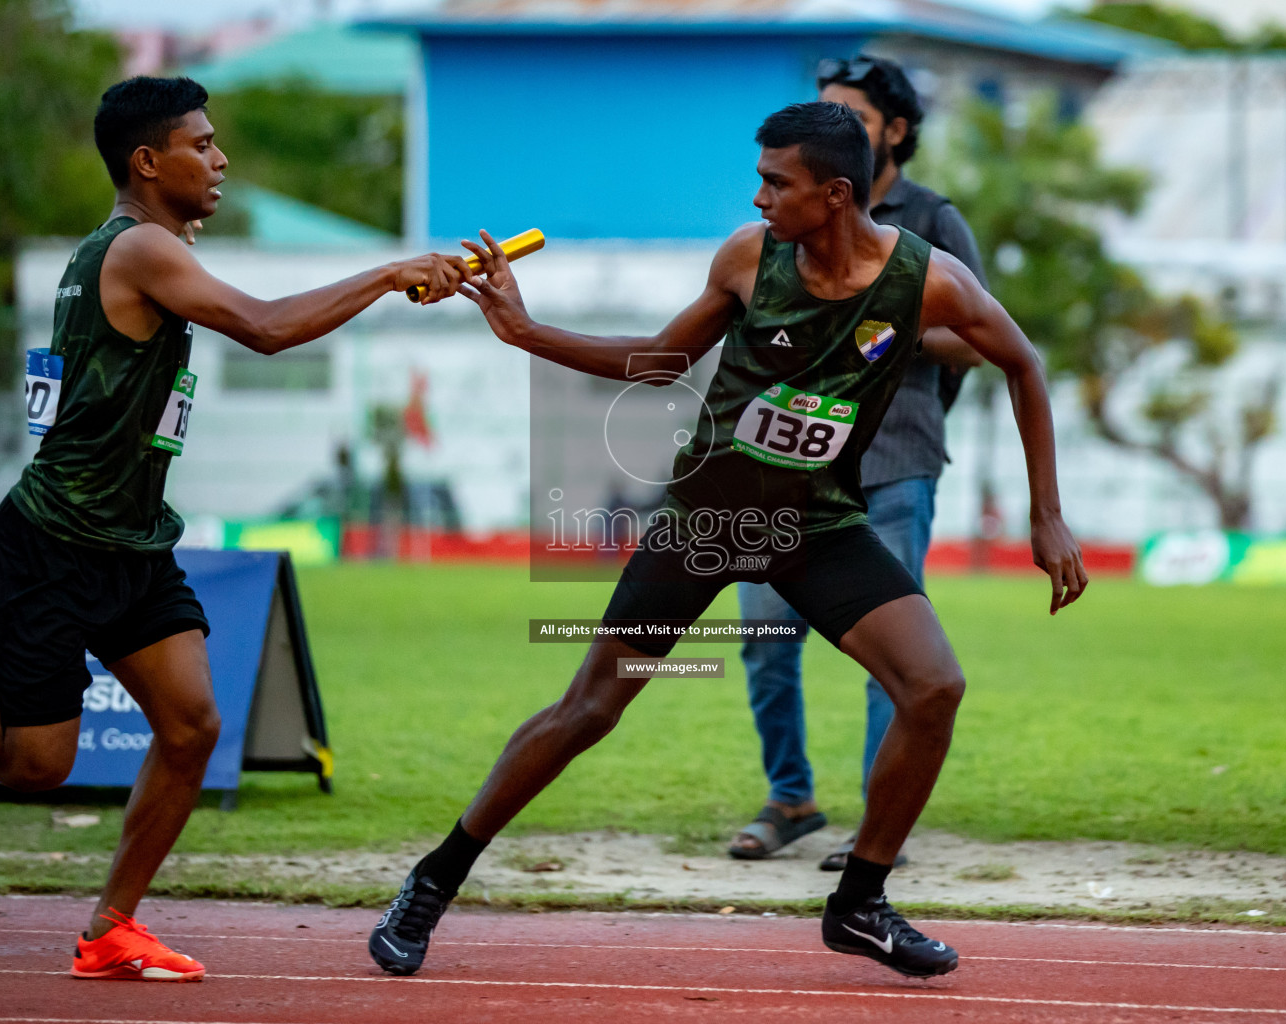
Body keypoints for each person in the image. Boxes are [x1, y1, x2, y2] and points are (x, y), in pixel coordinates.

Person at [368, 101, 1086, 980]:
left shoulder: (929, 280)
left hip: (817, 525)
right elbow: (662, 358)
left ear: (833, 193)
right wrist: (526, 333)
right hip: (707, 520)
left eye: (774, 183)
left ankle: (859, 903)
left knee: (933, 686)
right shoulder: (750, 258)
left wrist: (1045, 513)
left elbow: (1024, 363)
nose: (757, 198)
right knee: (588, 709)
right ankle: (433, 882)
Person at [0, 75, 468, 982]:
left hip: (132, 539)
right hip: (55, 539)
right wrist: (391, 270)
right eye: (201, 144)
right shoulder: (139, 253)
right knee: (35, 767)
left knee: (194, 724)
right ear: (146, 160)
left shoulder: (144, 248)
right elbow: (269, 329)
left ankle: (111, 927)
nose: (221, 158)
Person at [729, 55, 990, 870]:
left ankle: (878, 830)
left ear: (895, 130)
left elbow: (981, 343)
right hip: (784, 467)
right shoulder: (783, 222)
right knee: (767, 635)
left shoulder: (932, 222)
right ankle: (790, 799)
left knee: (895, 659)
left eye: (852, 114)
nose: (832, 126)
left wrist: (888, 325)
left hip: (894, 458)